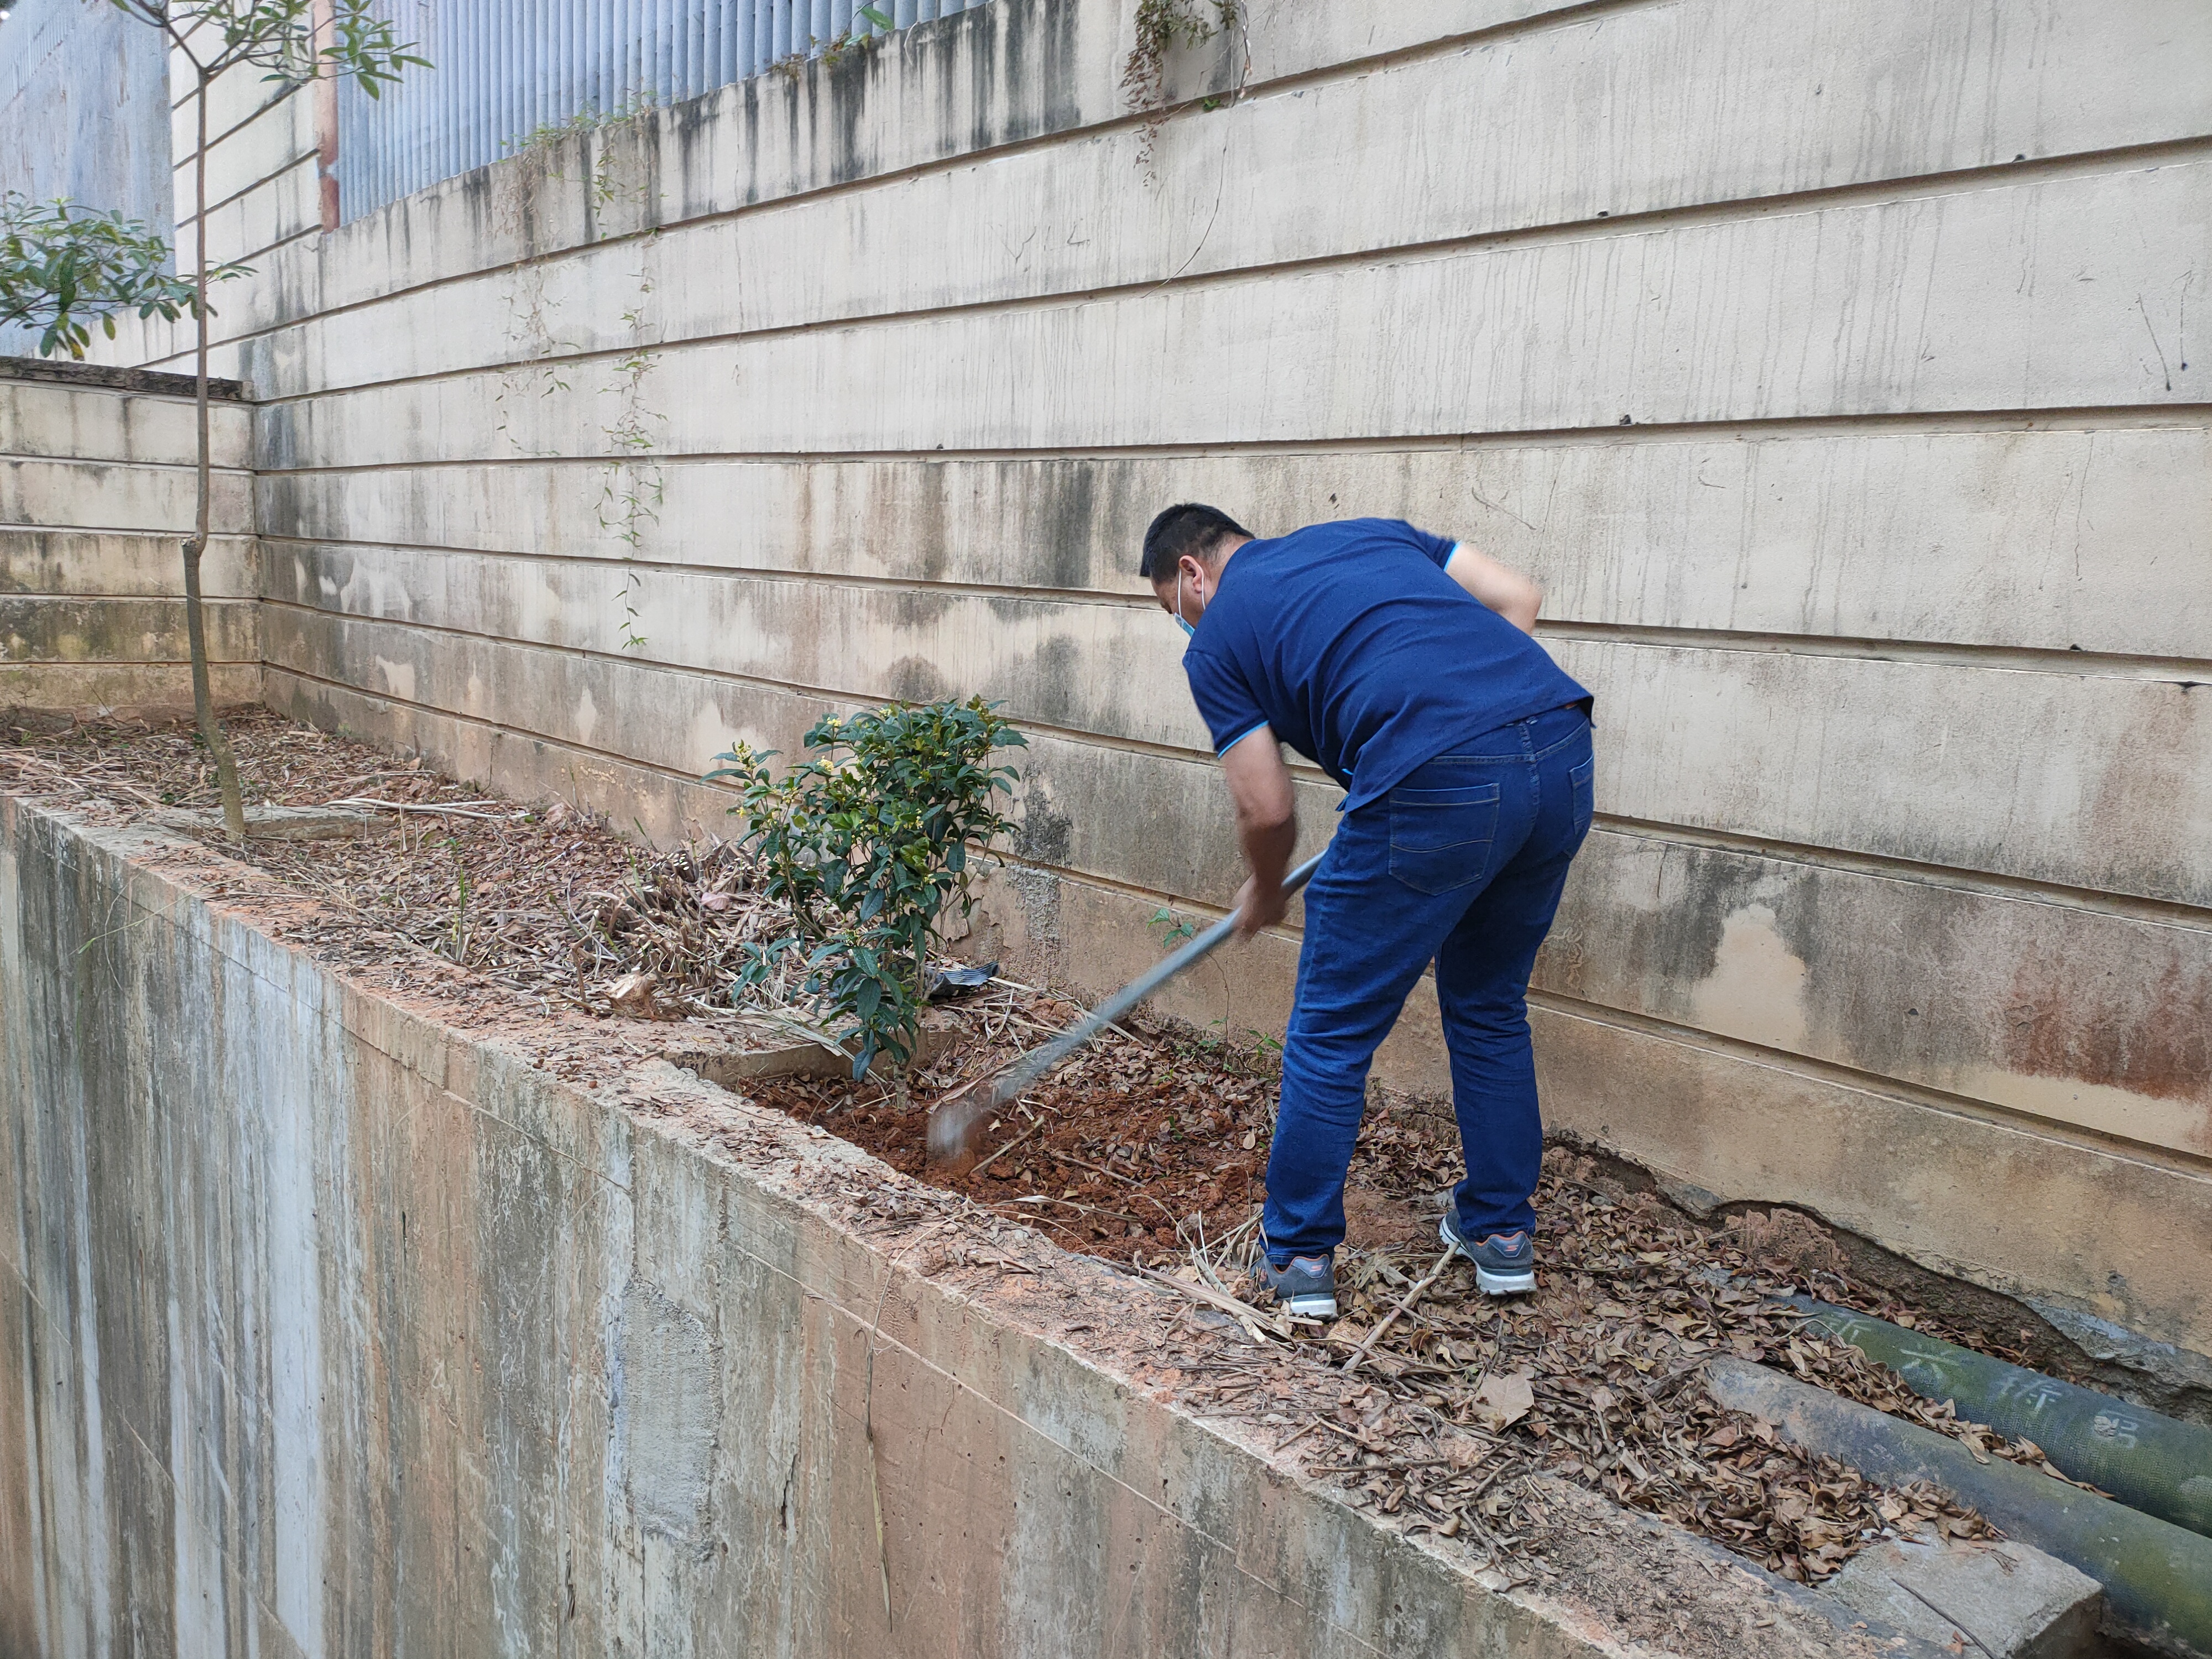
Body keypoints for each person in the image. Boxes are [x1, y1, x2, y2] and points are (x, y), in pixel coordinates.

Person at [1142, 504, 1594, 1318]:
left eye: (1174, 611)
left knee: (1331, 1029)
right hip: (1561, 750)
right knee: (1490, 1006)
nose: (1185, 627)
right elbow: (1518, 596)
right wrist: (1481, 727)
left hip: (1435, 776)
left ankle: (1300, 1258)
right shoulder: (1375, 533)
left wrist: (1268, 886)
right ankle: (1500, 1238)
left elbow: (1268, 810)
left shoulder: (1217, 638)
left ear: (1190, 573)